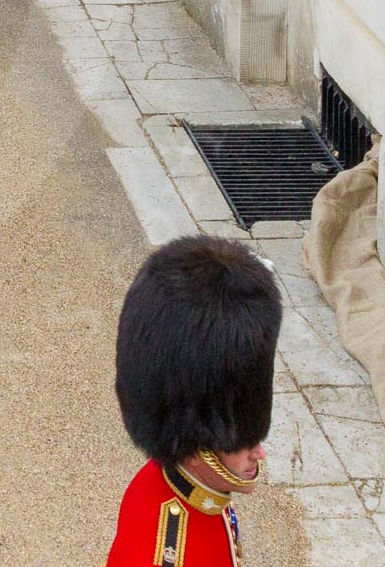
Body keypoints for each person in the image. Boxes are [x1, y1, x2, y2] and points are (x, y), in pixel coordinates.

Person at [106, 236, 280, 565]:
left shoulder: (179, 490)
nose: (260, 452)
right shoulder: (168, 551)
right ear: (199, 446)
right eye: (244, 442)